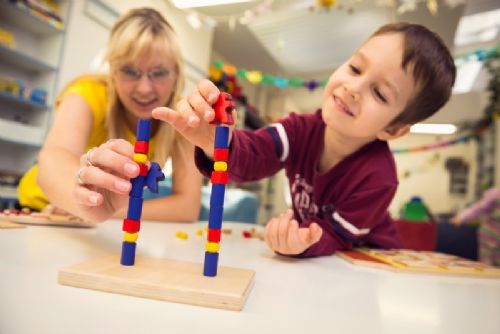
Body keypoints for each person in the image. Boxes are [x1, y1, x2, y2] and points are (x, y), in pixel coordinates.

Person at [155, 22, 456, 257]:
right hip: (316, 258)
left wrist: (302, 242)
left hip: (368, 262)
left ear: (392, 130)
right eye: (354, 68)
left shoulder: (379, 179)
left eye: (379, 93)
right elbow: (255, 154)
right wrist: (216, 142)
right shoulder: (299, 130)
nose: (353, 87)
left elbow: (338, 236)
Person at [17, 8, 201, 223]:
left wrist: (105, 210)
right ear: (113, 72)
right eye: (130, 71)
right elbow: (53, 159)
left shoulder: (182, 118)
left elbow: (187, 207)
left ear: (176, 75)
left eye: (158, 73)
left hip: (100, 220)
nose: (144, 88)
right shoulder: (88, 93)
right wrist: (81, 202)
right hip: (39, 210)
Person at [452, 187, 500, 267]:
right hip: (490, 237)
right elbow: (478, 208)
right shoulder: (495, 194)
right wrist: (462, 217)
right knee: (488, 263)